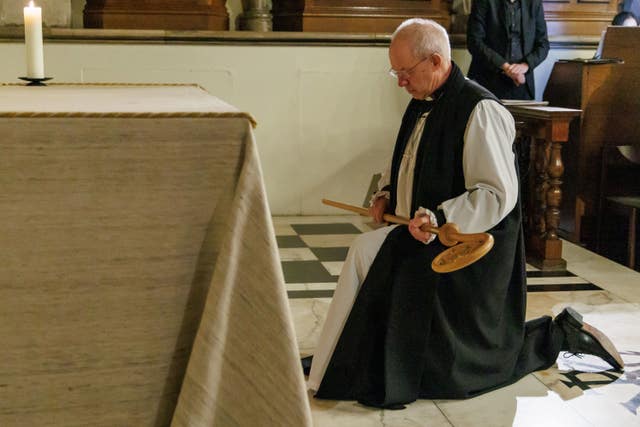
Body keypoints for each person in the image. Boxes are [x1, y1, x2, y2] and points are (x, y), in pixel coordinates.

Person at [305, 18, 624, 410]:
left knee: (375, 264)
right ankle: (340, 358)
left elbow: (495, 195)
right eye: (396, 71)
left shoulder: (480, 110)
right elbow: (406, 160)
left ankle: (557, 335)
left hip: (469, 249)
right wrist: (386, 196)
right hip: (425, 235)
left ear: (436, 61)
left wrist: (438, 217)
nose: (399, 81)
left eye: (405, 72)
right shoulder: (423, 102)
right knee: (366, 252)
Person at [466, 0, 549, 100]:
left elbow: (543, 44)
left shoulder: (534, 3)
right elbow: (474, 42)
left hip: (522, 85)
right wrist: (505, 67)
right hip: (487, 84)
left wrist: (525, 66)